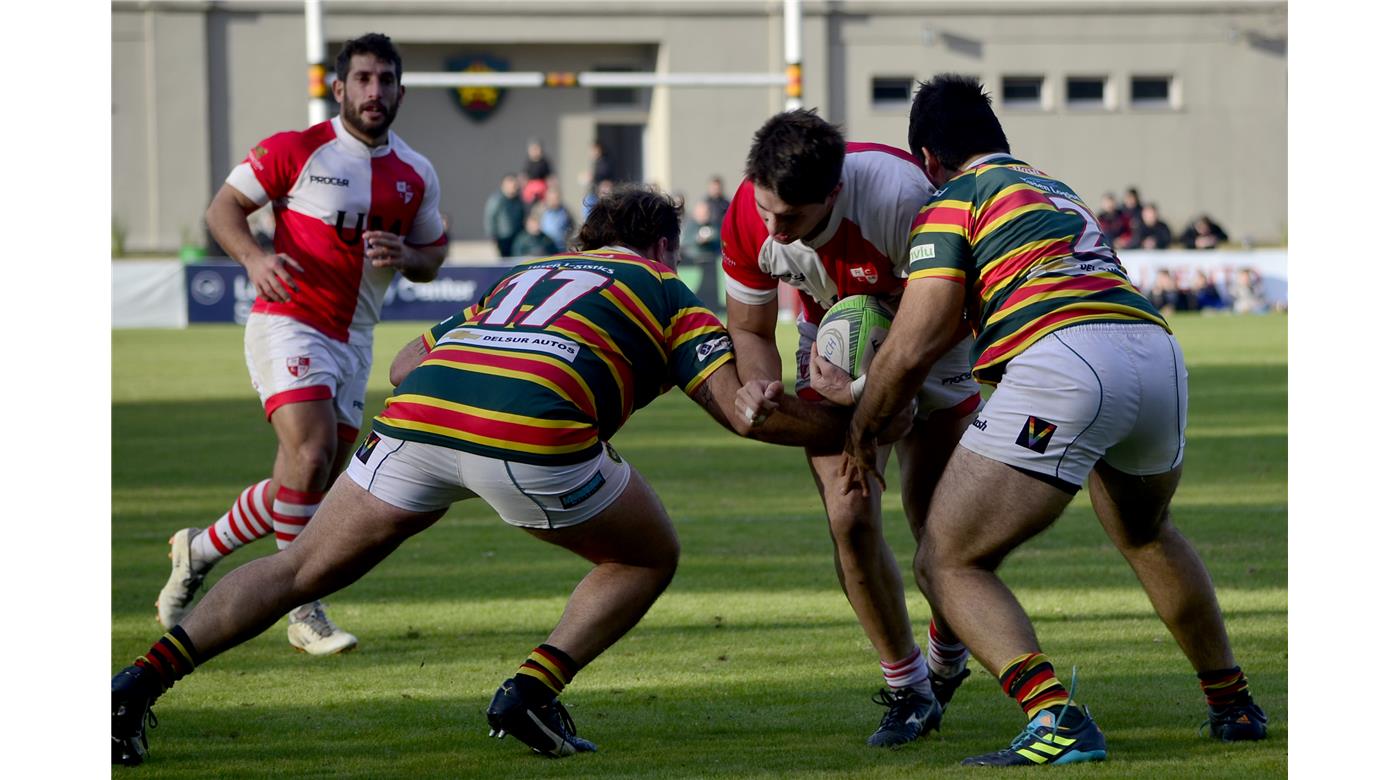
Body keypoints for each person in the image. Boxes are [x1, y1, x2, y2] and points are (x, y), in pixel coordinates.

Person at [112, 186, 866, 767]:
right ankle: (530, 693)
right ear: (663, 245)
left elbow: (407, 364)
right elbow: (743, 413)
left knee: (298, 566)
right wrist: (859, 418)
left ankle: (135, 686)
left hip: (421, 415)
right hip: (533, 427)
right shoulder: (668, 289)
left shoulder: (525, 273)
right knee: (646, 554)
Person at [835, 74, 1267, 767]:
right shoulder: (1053, 187)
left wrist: (861, 429)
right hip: (1156, 354)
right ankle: (1232, 703)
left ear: (927, 158)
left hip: (1064, 358)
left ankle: (1054, 717)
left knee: (945, 559)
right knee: (1145, 530)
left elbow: (917, 339)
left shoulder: (953, 198)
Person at [153, 33, 447, 657]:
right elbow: (224, 208)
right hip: (288, 320)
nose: (374, 91)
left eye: (385, 80)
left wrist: (412, 254)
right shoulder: (297, 149)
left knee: (308, 481)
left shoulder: (416, 172)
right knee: (311, 455)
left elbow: (434, 253)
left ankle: (197, 547)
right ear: (338, 88)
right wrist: (255, 258)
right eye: (362, 79)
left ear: (400, 90)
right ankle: (302, 609)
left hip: (355, 339)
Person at [721, 109, 982, 748]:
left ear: (833, 194)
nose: (774, 229)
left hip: (933, 344)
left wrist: (873, 394)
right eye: (766, 211)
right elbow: (751, 329)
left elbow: (953, 312)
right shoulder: (750, 212)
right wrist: (759, 383)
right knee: (850, 515)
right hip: (832, 341)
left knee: (939, 530)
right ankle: (908, 689)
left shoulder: (902, 197)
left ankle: (950, 649)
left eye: (792, 219)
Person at [484, 174, 526, 257]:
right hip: (503, 237)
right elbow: (490, 218)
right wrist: (493, 236)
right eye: (511, 185)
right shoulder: (497, 199)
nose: (513, 187)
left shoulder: (518, 200)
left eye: (515, 185)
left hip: (517, 236)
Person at [521, 138, 553, 205]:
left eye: (537, 149)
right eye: (533, 149)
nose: (535, 151)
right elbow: (524, 176)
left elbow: (550, 177)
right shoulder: (528, 162)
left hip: (542, 190)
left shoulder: (544, 162)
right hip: (530, 191)